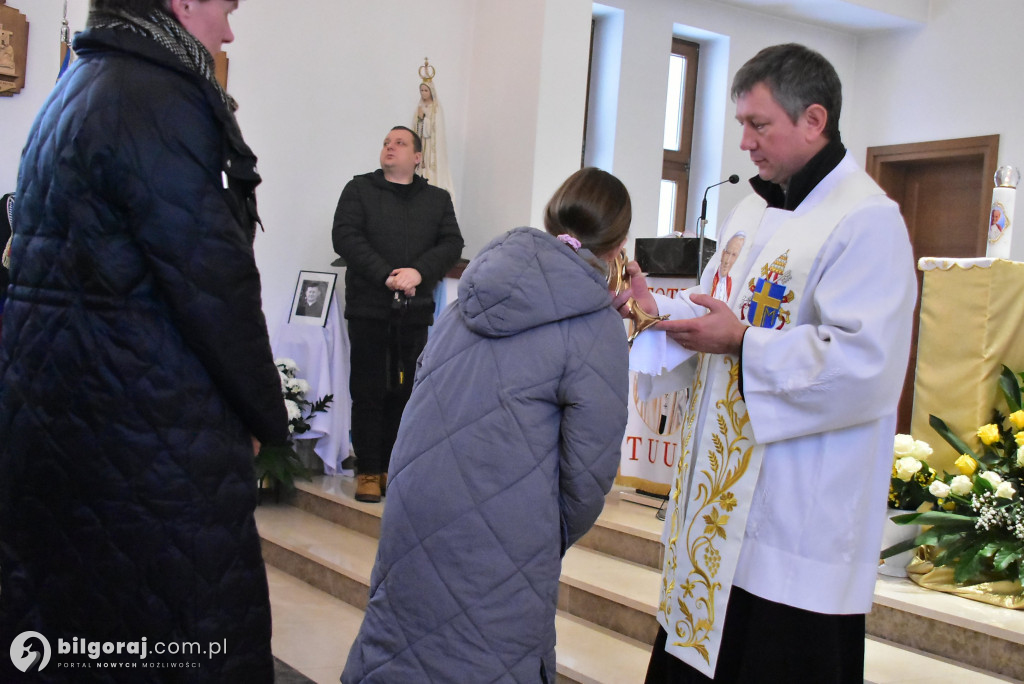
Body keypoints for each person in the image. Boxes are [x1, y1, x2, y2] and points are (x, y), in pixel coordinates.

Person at [0, 1, 288, 681]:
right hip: (147, 427)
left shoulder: (78, 84)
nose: (229, 31)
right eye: (225, 8)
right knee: (176, 631)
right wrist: (262, 415)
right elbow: (211, 280)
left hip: (69, 415)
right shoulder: (158, 98)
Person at [618, 44, 917, 682]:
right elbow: (718, 312)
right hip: (716, 514)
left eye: (759, 124)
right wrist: (657, 313)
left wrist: (744, 343)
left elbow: (865, 365)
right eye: (742, 124)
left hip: (795, 518)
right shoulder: (752, 209)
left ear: (814, 120)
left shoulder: (867, 221)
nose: (745, 143)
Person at [341, 167, 632, 684]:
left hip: (416, 506)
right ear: (619, 247)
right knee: (487, 658)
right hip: (506, 535)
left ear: (551, 220)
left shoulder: (472, 294)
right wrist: (540, 534)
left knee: (402, 650)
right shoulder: (597, 326)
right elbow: (587, 477)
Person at [332, 125, 463, 503]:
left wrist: (418, 273)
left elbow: (452, 243)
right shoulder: (359, 189)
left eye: (400, 143)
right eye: (387, 143)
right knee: (368, 390)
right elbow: (345, 237)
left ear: (417, 157)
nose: (390, 147)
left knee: (405, 392)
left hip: (414, 310)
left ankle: (394, 466)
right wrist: (386, 276)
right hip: (369, 307)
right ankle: (369, 470)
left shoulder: (437, 199)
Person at [413, 79, 455, 201]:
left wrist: (424, 119)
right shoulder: (419, 107)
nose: (423, 93)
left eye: (425, 90)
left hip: (432, 148)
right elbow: (415, 130)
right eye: (421, 90)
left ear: (431, 91)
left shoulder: (436, 109)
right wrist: (419, 119)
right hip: (422, 145)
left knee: (431, 173)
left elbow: (435, 130)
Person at [710, 231, 745, 302]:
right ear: (722, 254)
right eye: (727, 253)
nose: (727, 261)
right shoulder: (711, 277)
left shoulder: (739, 287)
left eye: (734, 255)